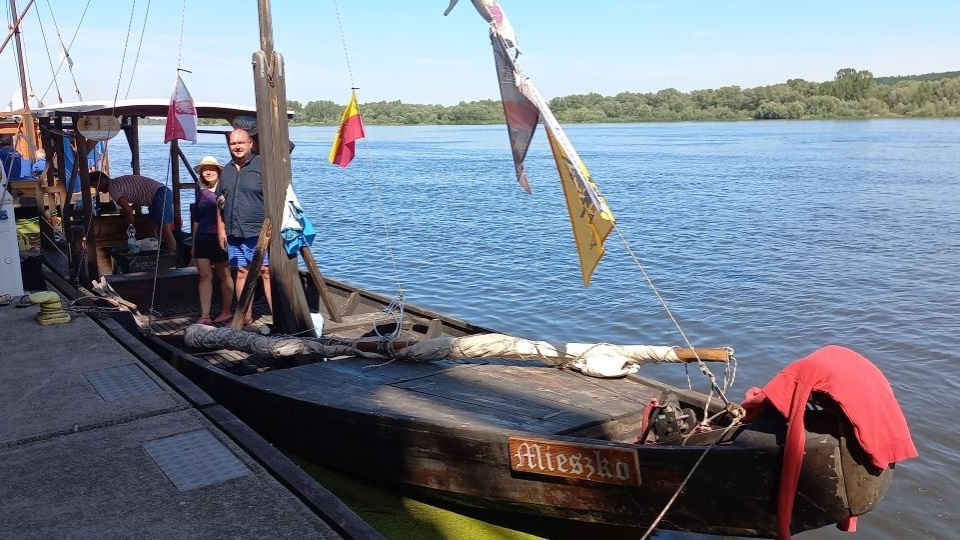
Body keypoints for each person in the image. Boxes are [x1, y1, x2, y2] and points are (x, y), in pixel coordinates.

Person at [218, 128, 271, 326]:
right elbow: (220, 202)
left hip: (259, 231)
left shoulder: (263, 166)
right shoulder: (227, 170)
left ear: (250, 143)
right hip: (234, 231)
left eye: (241, 142)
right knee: (241, 271)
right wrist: (222, 228)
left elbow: (276, 199)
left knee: (266, 271)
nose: (237, 147)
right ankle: (244, 318)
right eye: (233, 144)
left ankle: (280, 318)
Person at [192, 156, 235, 325]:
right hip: (202, 238)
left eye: (211, 169)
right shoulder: (201, 192)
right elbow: (197, 219)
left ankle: (226, 311)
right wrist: (194, 243)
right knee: (204, 275)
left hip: (219, 239)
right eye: (204, 169)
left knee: (224, 274)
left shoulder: (224, 191)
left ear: (218, 171)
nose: (207, 172)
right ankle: (205, 315)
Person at [90, 171, 177, 251]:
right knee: (155, 229)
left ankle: (172, 257)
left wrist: (130, 227)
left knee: (165, 230)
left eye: (98, 185)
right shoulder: (117, 183)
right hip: (157, 195)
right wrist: (130, 209)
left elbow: (128, 211)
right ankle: (160, 253)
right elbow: (138, 195)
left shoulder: (112, 188)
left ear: (104, 179)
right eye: (95, 187)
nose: (98, 188)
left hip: (159, 194)